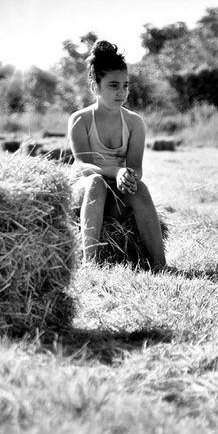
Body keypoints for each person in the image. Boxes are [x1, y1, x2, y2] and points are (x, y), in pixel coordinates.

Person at [67, 40, 167, 272]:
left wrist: (129, 176)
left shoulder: (134, 122)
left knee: (140, 188)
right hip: (84, 194)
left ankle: (160, 265)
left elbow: (136, 168)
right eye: (113, 85)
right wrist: (116, 171)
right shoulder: (80, 119)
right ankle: (90, 263)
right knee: (96, 182)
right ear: (95, 86)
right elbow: (82, 165)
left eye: (125, 85)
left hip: (115, 197)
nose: (121, 92)